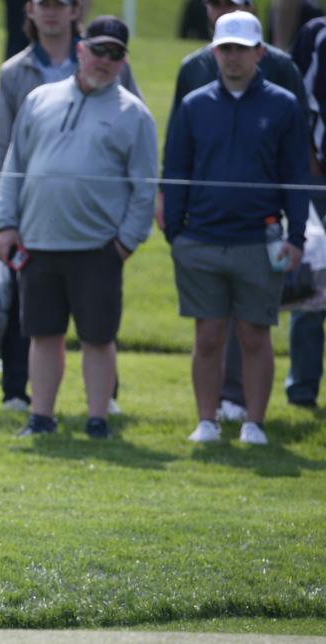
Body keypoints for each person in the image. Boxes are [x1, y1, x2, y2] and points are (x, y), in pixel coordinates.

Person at [0, 16, 157, 440]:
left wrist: (124, 243)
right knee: (43, 335)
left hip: (98, 248)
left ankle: (97, 419)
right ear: (80, 50)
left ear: (123, 62)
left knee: (98, 338)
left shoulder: (134, 115)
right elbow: (15, 167)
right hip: (38, 241)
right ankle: (41, 417)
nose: (104, 60)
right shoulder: (40, 98)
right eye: (97, 50)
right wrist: (4, 224)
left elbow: (144, 190)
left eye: (114, 54)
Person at [163, 10, 309, 445]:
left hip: (258, 239)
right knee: (207, 335)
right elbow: (176, 170)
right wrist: (176, 233)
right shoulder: (195, 104)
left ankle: (253, 423)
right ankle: (207, 420)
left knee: (253, 333)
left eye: (242, 49)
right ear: (214, 51)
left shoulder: (283, 104)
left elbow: (295, 176)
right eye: (226, 48)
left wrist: (296, 235)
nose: (233, 58)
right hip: (202, 238)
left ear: (259, 52)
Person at [286, 16, 326, 407]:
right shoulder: (316, 33)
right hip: (317, 180)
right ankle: (302, 389)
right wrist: (309, 160)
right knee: (313, 285)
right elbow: (296, 98)